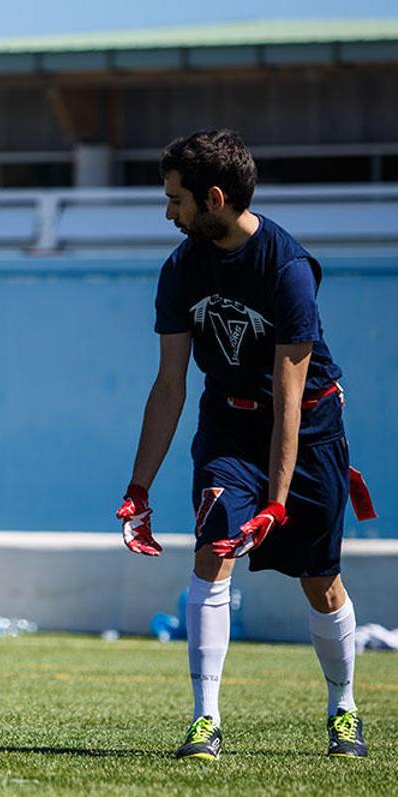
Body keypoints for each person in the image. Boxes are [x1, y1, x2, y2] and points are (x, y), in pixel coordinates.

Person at [117, 129, 373, 761]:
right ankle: (205, 720)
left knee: (321, 582)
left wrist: (277, 503)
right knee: (212, 553)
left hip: (307, 429)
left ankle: (343, 709)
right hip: (228, 430)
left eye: (175, 200)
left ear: (213, 198)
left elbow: (289, 394)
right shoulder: (180, 268)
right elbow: (170, 384)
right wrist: (138, 488)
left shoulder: (288, 270)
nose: (168, 213)